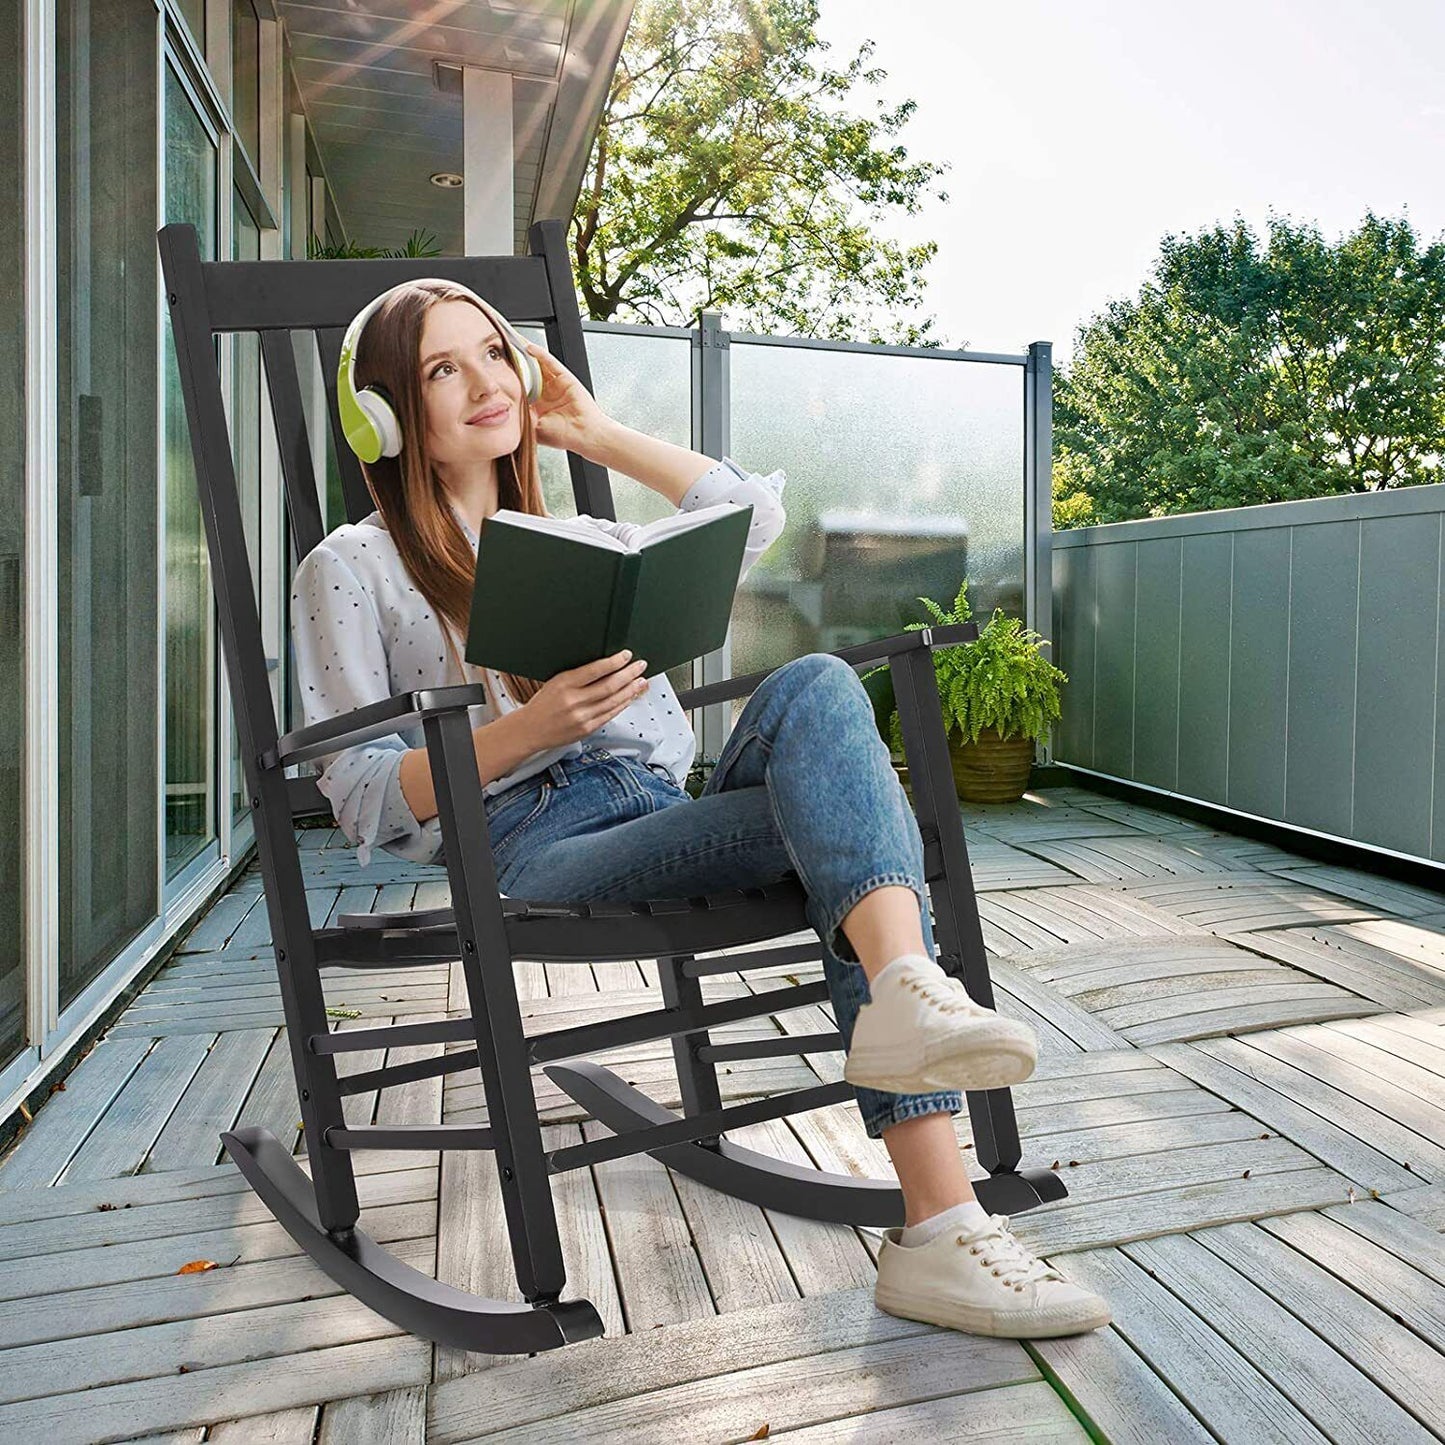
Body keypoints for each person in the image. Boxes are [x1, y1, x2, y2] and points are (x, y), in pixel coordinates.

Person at [291, 278, 1111, 1340]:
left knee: (818, 683)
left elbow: (750, 517)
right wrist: (526, 729)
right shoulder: (351, 566)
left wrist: (593, 430)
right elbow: (356, 791)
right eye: (442, 368)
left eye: (494, 353)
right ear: (387, 415)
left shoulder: (582, 536)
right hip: (532, 839)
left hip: (661, 805)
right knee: (853, 839)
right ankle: (940, 1219)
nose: (484, 381)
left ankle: (906, 1000)